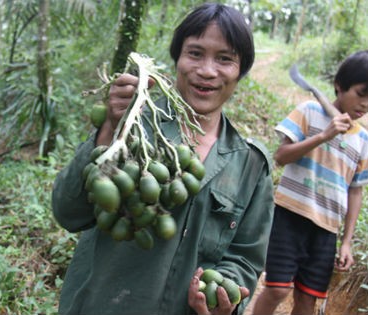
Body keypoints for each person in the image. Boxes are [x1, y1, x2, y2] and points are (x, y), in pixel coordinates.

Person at [52, 3, 274, 315]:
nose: (207, 70)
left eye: (224, 59)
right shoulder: (133, 127)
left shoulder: (250, 166)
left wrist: (227, 296)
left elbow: (245, 257)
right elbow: (68, 213)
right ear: (178, 60)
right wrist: (109, 133)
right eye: (195, 53)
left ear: (241, 72)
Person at [252, 50, 368, 315]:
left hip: (326, 229)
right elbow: (281, 156)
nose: (364, 104)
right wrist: (323, 136)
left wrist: (347, 241)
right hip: (290, 217)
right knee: (277, 289)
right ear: (340, 86)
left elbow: (355, 191)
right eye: (361, 94)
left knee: (307, 300)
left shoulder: (363, 140)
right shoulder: (309, 112)